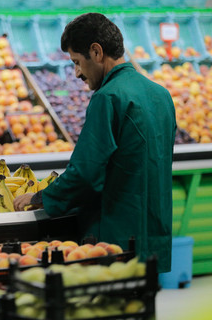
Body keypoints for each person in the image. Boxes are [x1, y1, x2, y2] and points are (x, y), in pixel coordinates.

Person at [14, 13, 176, 273]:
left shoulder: (108, 97)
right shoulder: (161, 95)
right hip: (152, 233)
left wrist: (41, 197)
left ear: (97, 52)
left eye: (77, 62)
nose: (77, 72)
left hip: (114, 238)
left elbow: (86, 174)